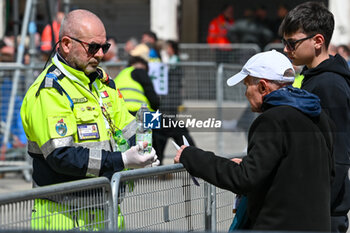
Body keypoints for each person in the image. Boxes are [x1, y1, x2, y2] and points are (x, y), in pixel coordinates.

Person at [20, 9, 159, 230]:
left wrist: (144, 151)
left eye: (104, 47)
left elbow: (128, 129)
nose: (101, 54)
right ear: (66, 44)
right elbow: (61, 155)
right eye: (93, 47)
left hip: (107, 208)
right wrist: (121, 160)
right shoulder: (50, 91)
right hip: (63, 215)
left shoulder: (103, 84)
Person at [174, 50, 335, 231]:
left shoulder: (272, 120)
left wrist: (191, 156)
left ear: (263, 87)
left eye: (247, 85)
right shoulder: (318, 114)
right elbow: (305, 169)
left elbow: (244, 178)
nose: (245, 94)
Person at [279, 2, 350, 232]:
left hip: (322, 214)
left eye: (292, 43)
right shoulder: (312, 77)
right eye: (284, 42)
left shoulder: (330, 84)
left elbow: (339, 153)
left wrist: (316, 206)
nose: (286, 49)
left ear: (318, 41)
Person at [153, 40, 195, 165]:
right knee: (168, 130)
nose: (166, 50)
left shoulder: (174, 61)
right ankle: (191, 155)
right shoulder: (171, 61)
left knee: (164, 132)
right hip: (168, 103)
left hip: (169, 103)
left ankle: (191, 156)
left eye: (168, 48)